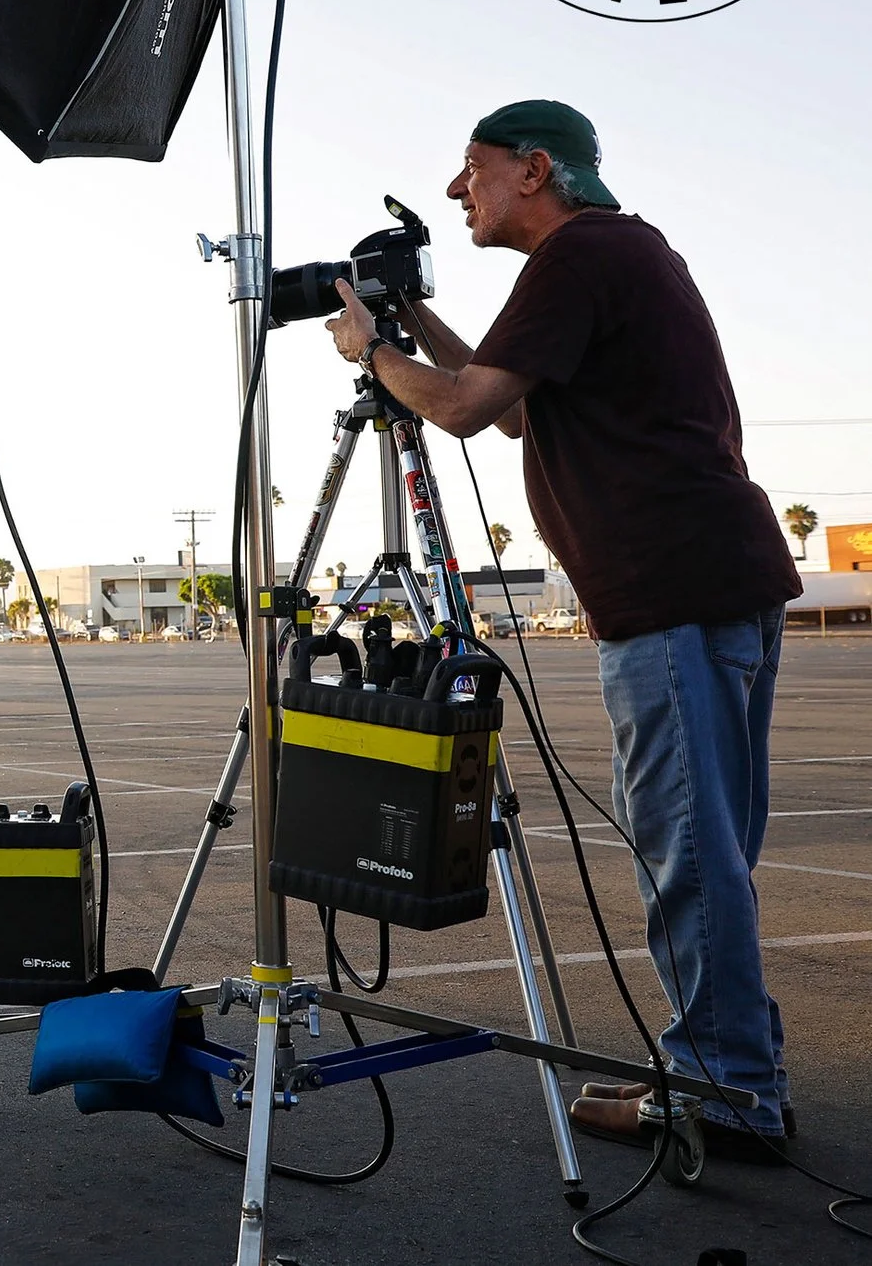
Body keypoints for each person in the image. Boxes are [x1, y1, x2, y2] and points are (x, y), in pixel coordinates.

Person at [322, 101, 801, 1158]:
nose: (458, 191)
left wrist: (369, 347)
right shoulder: (619, 256)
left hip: (670, 593)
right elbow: (509, 404)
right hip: (716, 579)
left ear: (535, 169)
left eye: (472, 168)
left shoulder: (580, 256)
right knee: (712, 850)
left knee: (689, 853)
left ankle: (723, 1093)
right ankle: (739, 1073)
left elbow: (453, 410)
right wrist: (418, 330)